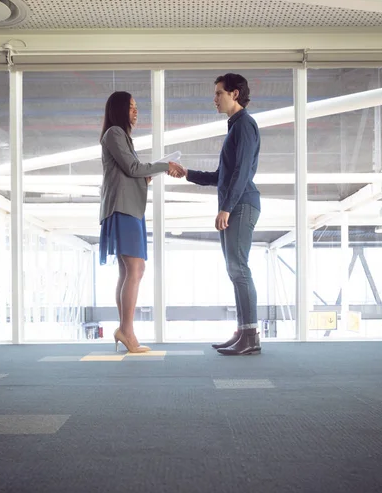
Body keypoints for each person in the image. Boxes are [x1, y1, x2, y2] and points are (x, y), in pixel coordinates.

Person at [175, 73, 261, 355]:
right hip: (235, 204)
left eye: (218, 93)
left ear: (234, 94)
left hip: (241, 205)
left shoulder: (245, 126)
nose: (214, 99)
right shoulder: (235, 128)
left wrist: (226, 208)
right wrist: (187, 173)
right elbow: (221, 176)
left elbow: (241, 173)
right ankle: (243, 332)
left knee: (239, 269)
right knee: (234, 270)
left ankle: (250, 336)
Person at [99, 91, 181, 353]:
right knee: (135, 268)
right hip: (123, 208)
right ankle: (126, 331)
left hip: (129, 207)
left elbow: (130, 173)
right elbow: (133, 169)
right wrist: (163, 166)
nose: (136, 111)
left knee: (128, 270)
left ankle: (126, 329)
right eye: (131, 107)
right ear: (119, 109)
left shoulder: (122, 137)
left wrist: (150, 173)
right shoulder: (114, 133)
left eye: (136, 106)